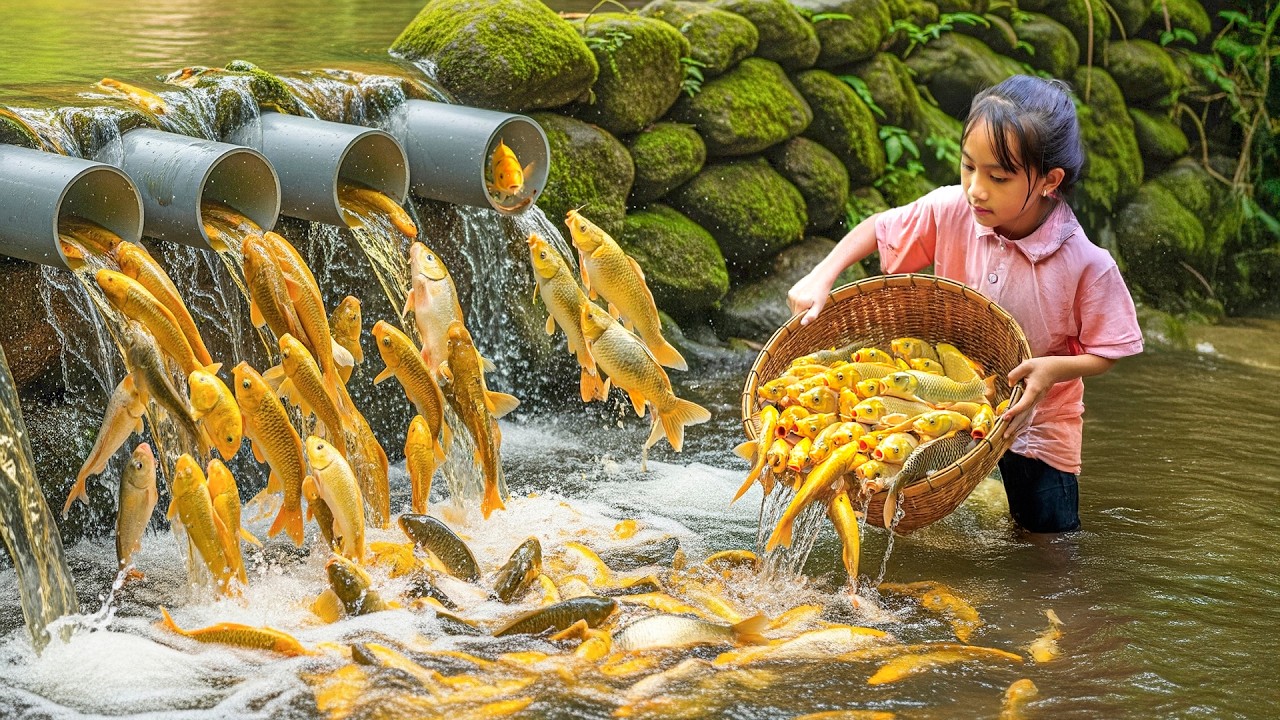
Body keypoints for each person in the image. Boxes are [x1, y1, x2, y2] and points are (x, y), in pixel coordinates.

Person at [786, 75, 1144, 533]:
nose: (976, 188)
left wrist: (1052, 369)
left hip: (1038, 423)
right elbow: (877, 228)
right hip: (942, 399)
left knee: (1048, 546)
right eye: (968, 166)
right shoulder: (952, 209)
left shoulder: (1085, 264)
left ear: (1049, 181)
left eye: (998, 177)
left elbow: (1111, 349)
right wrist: (822, 275)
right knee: (894, 497)